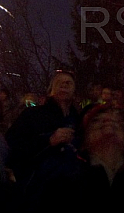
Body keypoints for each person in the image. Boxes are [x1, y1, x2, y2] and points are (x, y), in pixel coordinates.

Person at [5, 71, 80, 200]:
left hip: (75, 191)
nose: (65, 84)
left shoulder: (79, 120)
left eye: (69, 82)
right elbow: (12, 146)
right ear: (51, 90)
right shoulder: (32, 115)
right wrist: (48, 141)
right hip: (39, 193)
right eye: (59, 82)